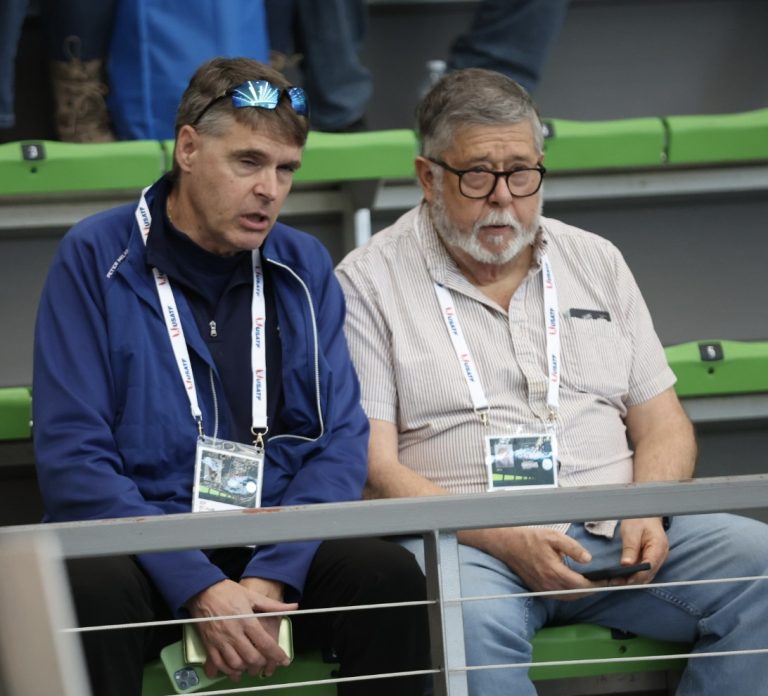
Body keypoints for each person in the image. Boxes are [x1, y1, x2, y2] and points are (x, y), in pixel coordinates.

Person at [336, 67, 768, 694]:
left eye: (521, 173)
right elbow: (375, 472)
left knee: (761, 569)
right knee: (466, 625)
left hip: (616, 530)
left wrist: (647, 505)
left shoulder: (595, 259)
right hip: (470, 545)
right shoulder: (367, 282)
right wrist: (507, 539)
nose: (503, 197)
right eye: (477, 175)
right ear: (428, 177)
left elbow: (664, 424)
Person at [32, 57, 428, 696]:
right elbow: (74, 459)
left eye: (286, 169)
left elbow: (339, 442)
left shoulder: (303, 264)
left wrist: (273, 574)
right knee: (87, 593)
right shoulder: (95, 255)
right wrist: (199, 585)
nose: (270, 189)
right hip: (141, 541)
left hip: (271, 539)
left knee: (390, 579)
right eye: (248, 162)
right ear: (188, 148)